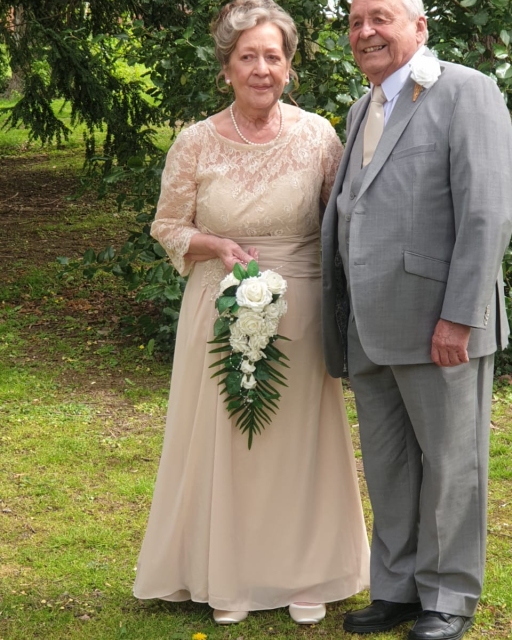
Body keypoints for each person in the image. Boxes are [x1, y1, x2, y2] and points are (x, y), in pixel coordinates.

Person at [134, 0, 369, 626]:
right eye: (249, 57)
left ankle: (307, 572)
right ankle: (226, 572)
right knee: (231, 439)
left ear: (289, 67)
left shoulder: (319, 134)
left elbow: (344, 220)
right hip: (219, 303)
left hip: (300, 309)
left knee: (298, 444)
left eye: (274, 56)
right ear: (227, 68)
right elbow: (166, 226)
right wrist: (213, 246)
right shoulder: (194, 142)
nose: (262, 68)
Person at [321, 0, 512, 638]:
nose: (365, 32)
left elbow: (487, 210)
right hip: (370, 326)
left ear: (419, 27)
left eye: (380, 16)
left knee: (453, 464)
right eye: (354, 22)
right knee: (389, 465)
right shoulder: (362, 108)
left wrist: (459, 317)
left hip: (440, 326)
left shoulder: (467, 92)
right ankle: (399, 588)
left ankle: (448, 598)